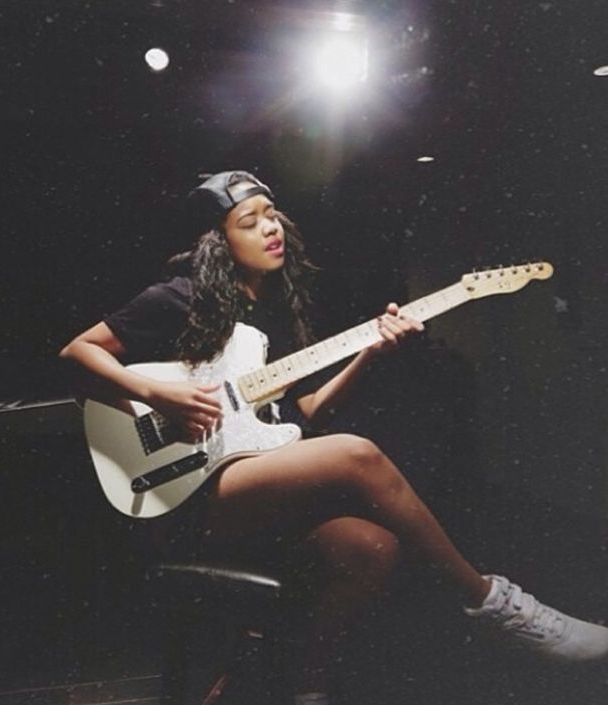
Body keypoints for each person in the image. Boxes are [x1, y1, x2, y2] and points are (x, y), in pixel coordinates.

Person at [60, 170, 608, 705]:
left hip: (244, 478)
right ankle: (494, 604)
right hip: (182, 496)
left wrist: (370, 352)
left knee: (372, 549)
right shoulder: (181, 296)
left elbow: (306, 411)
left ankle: (309, 685)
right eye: (249, 221)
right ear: (219, 241)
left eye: (272, 215)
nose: (270, 228)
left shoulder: (271, 316)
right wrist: (158, 396)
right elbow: (78, 352)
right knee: (356, 453)